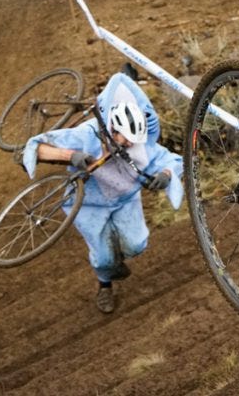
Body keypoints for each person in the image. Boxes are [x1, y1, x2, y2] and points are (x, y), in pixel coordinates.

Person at [21, 71, 183, 313]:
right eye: (124, 139)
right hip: (88, 204)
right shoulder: (87, 135)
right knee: (104, 257)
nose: (129, 145)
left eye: (133, 140)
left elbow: (173, 161)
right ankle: (104, 285)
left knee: (137, 245)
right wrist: (71, 155)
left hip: (125, 200)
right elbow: (37, 147)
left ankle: (117, 262)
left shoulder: (142, 144)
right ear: (113, 129)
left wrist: (165, 176)